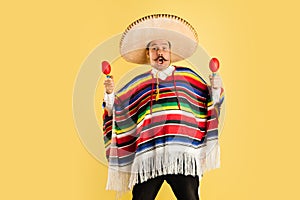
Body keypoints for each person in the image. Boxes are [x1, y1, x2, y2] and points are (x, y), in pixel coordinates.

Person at [102, 14, 224, 200]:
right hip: (149, 154)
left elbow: (210, 102)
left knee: (190, 197)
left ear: (170, 53)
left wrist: (215, 87)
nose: (160, 52)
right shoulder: (139, 84)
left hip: (182, 152)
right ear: (148, 54)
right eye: (154, 49)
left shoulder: (189, 78)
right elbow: (117, 110)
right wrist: (110, 94)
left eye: (164, 48)